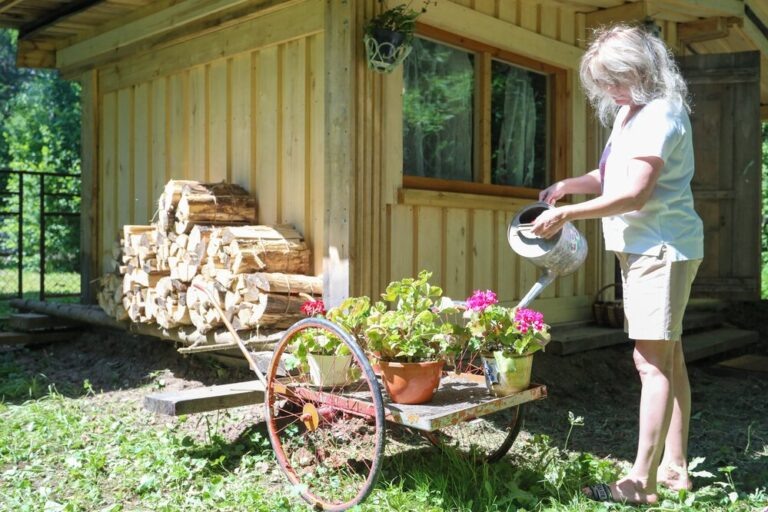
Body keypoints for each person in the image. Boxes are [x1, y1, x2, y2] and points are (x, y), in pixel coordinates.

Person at [531, 24, 704, 505]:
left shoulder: (661, 113)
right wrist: (569, 186)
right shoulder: (631, 113)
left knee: (650, 363)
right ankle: (675, 469)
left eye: (615, 79)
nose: (609, 90)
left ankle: (640, 483)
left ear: (641, 71)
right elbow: (612, 176)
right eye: (603, 82)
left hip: (660, 248)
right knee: (669, 356)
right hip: (645, 248)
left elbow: (634, 193)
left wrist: (567, 214)